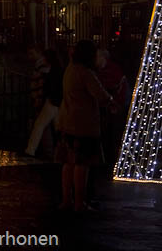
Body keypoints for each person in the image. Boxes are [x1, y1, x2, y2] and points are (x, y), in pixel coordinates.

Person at [56, 40, 117, 213]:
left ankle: (67, 199)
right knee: (82, 164)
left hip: (67, 122)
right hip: (83, 125)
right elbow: (100, 95)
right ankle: (79, 202)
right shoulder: (86, 73)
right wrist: (111, 102)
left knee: (68, 163)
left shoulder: (70, 69)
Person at [25, 48, 63, 157]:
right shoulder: (58, 70)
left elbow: (48, 87)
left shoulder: (51, 71)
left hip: (51, 101)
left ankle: (30, 150)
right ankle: (58, 151)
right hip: (56, 101)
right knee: (57, 128)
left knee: (39, 124)